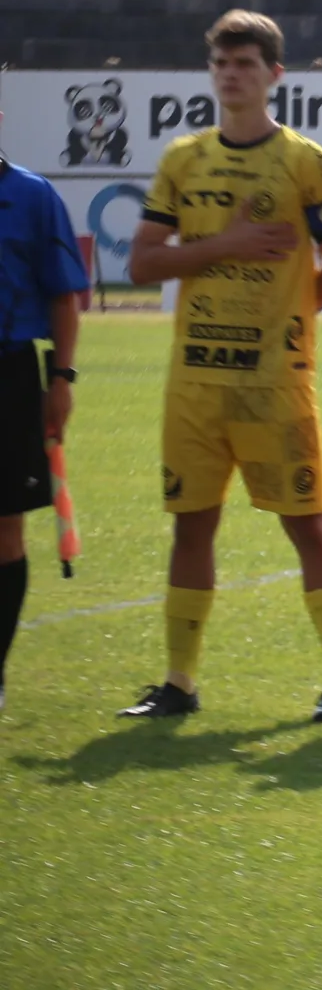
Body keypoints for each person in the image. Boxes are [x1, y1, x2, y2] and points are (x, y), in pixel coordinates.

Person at [122, 11, 322, 720]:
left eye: (247, 64)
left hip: (273, 382)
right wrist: (225, 244)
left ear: (274, 76)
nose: (232, 74)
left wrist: (289, 317)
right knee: (191, 526)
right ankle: (179, 681)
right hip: (194, 380)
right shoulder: (183, 159)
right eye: (222, 63)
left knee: (308, 523)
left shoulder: (304, 161)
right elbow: (141, 262)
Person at [0, 105, 87, 715]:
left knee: (4, 526)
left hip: (8, 372)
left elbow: (63, 292)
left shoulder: (32, 195)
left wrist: (61, 378)